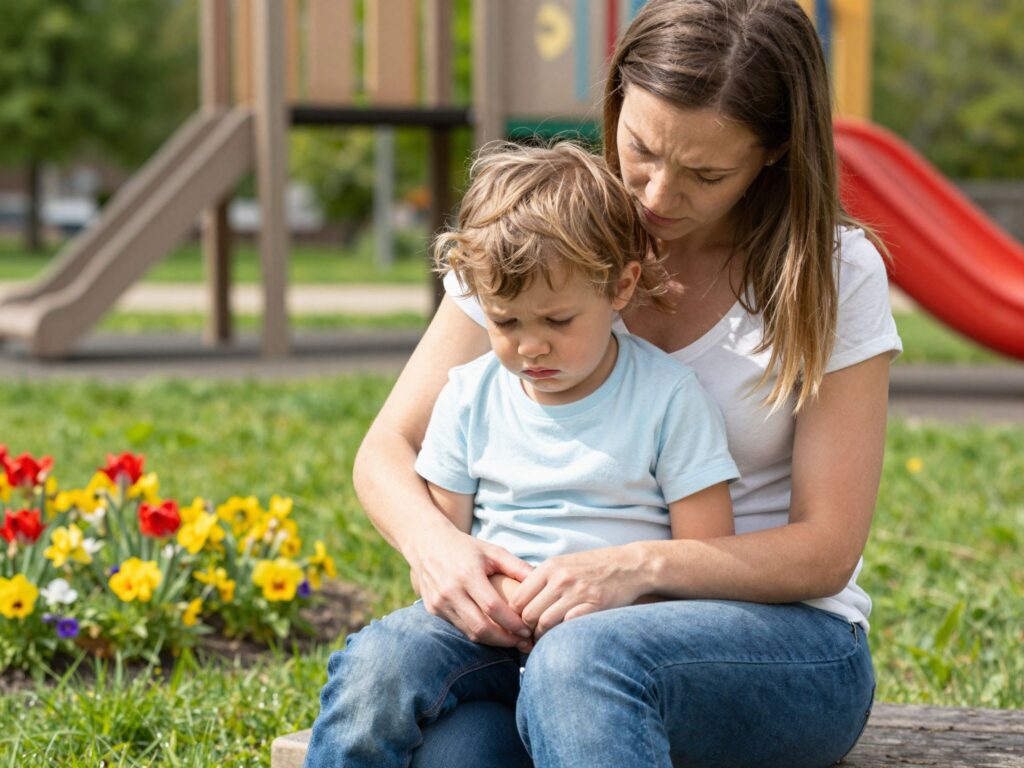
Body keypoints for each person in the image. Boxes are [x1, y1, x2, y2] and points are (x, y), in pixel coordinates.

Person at [321, 0, 903, 765]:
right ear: (617, 101)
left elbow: (827, 548)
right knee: (455, 751)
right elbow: (386, 449)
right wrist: (437, 547)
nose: (657, 197)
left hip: (776, 643)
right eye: (641, 150)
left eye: (706, 173)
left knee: (583, 662)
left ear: (774, 153)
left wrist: (630, 571)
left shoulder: (832, 273)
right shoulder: (539, 237)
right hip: (535, 641)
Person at [303, 141, 740, 768]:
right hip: (485, 638)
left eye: (558, 320)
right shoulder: (468, 396)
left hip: (607, 648)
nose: (530, 346)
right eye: (504, 322)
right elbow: (443, 549)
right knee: (378, 661)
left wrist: (615, 602)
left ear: (621, 287)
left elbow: (703, 564)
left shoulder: (669, 398)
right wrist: (473, 591)